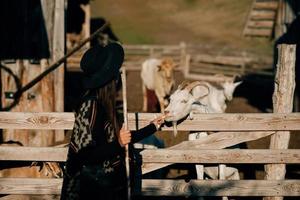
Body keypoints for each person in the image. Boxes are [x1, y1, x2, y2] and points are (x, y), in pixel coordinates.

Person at [60, 42, 165, 200]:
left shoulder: (105, 105)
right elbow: (85, 155)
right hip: (90, 188)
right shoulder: (91, 106)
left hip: (106, 185)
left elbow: (123, 138)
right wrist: (119, 144)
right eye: (115, 73)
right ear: (109, 78)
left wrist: (153, 126)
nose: (118, 77)